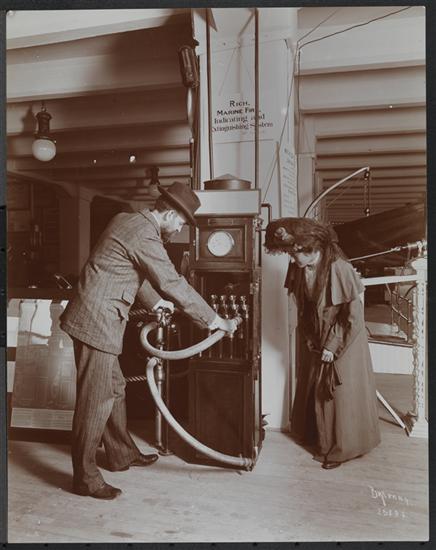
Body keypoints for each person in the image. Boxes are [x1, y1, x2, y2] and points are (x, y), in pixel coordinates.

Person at [61, 181, 237, 499]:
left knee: (115, 388)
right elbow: (171, 281)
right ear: (168, 214)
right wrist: (215, 320)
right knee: (95, 400)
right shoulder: (145, 234)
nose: (179, 228)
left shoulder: (128, 220)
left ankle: (121, 454)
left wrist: (155, 303)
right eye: (180, 222)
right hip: (96, 321)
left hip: (98, 317)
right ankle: (85, 478)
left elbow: (129, 269)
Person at [264, 217, 380, 469]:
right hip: (317, 337)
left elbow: (353, 317)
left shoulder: (339, 267)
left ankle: (341, 450)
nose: (291, 258)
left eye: (293, 253)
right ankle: (319, 439)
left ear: (310, 247)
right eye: (288, 253)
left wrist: (332, 345)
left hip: (345, 339)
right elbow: (304, 307)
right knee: (315, 389)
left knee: (337, 395)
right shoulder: (298, 266)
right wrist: (310, 337)